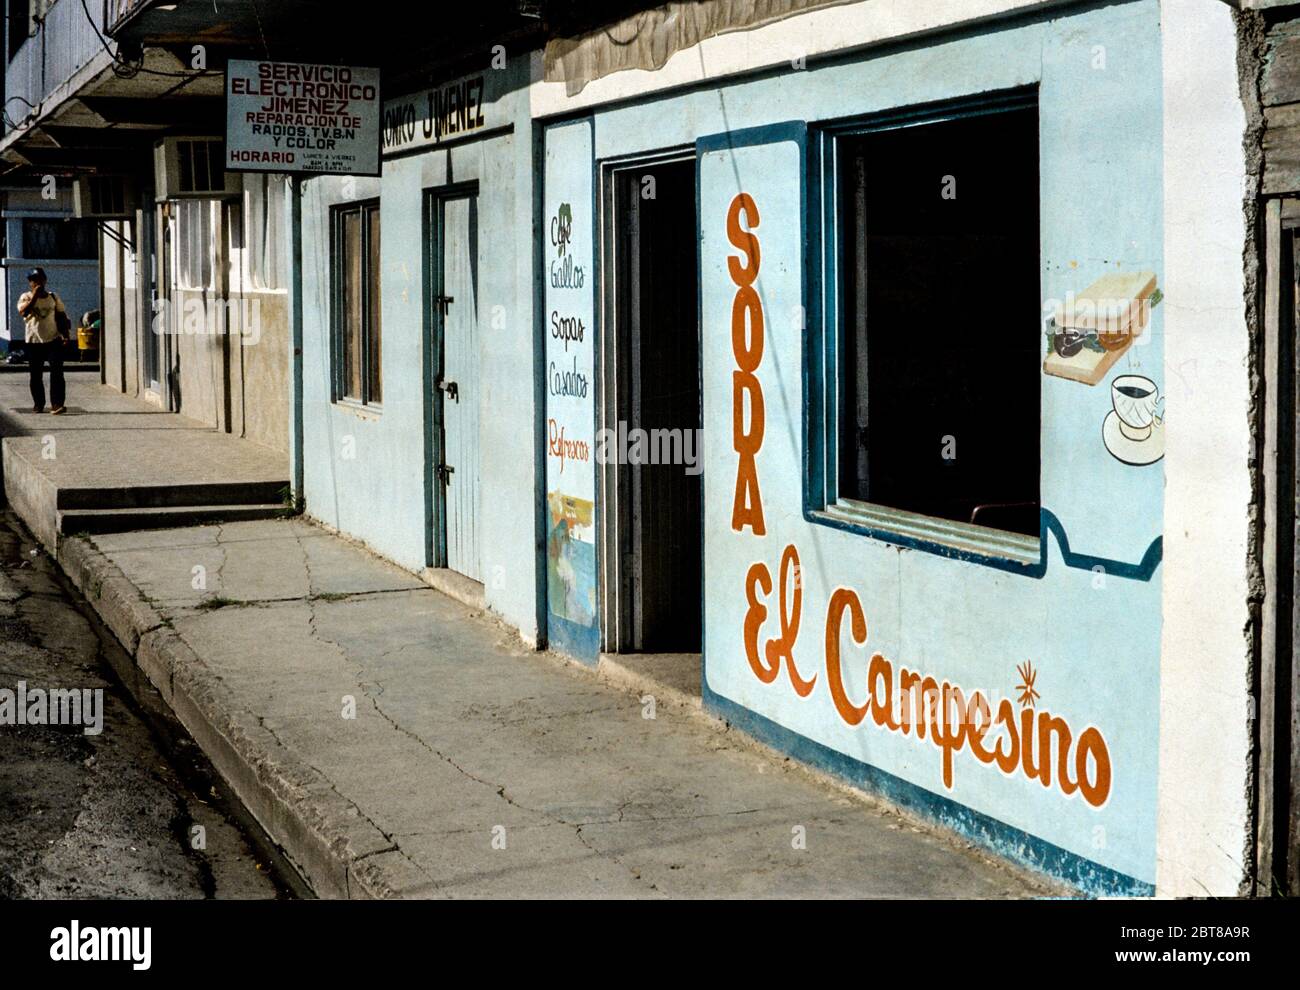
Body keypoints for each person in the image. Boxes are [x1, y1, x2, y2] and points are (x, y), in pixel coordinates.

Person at [17, 267, 69, 415]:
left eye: (40, 279)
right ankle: (38, 404)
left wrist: (65, 334)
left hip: (53, 339)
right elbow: (23, 312)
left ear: (45, 280)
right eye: (34, 280)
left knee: (57, 372)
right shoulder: (25, 297)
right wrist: (34, 296)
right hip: (34, 341)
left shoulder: (53, 297)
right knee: (35, 374)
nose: (37, 283)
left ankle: (57, 404)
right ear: (30, 283)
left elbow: (61, 316)